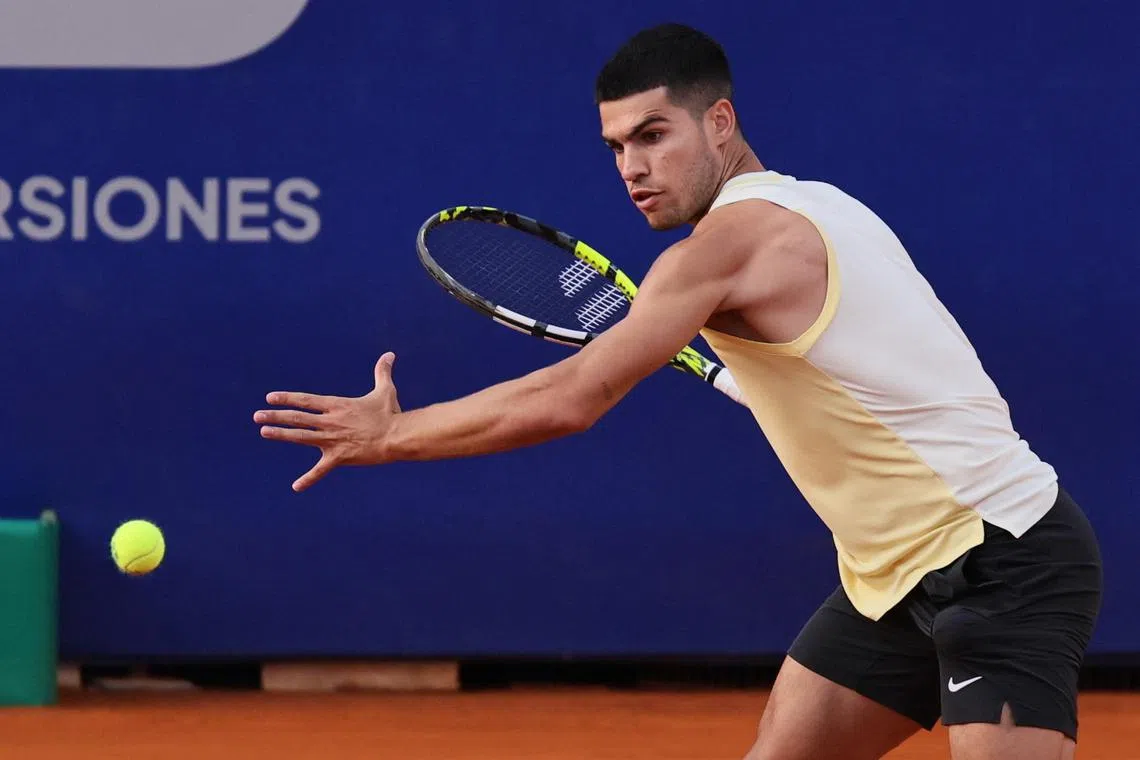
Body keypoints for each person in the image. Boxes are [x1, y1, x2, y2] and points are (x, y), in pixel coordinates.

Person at [253, 23, 1103, 760]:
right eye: (617, 147)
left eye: (654, 135)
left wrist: (395, 435)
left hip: (1002, 557)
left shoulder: (725, 249)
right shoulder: (819, 205)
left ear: (720, 122)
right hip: (892, 572)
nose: (633, 167)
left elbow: (572, 395)